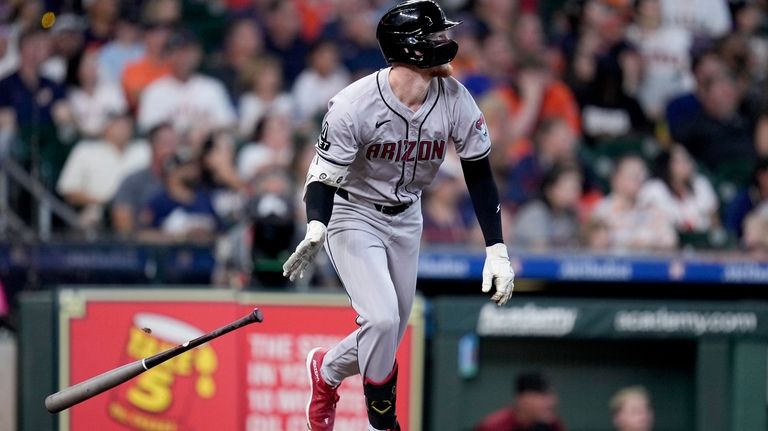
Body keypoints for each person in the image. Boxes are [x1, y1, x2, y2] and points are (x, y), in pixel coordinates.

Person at [281, 2, 515, 430]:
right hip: (353, 210)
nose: (443, 42)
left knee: (391, 329)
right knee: (383, 319)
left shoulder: (455, 98)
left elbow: (480, 175)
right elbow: (322, 176)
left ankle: (327, 370)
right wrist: (317, 223)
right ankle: (381, 422)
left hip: (408, 214)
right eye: (433, 36)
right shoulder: (354, 104)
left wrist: (496, 248)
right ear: (411, 48)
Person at [474, 372, 567, 431]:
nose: (551, 402)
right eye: (542, 396)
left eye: (551, 395)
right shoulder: (495, 426)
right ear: (522, 399)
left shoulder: (553, 424)